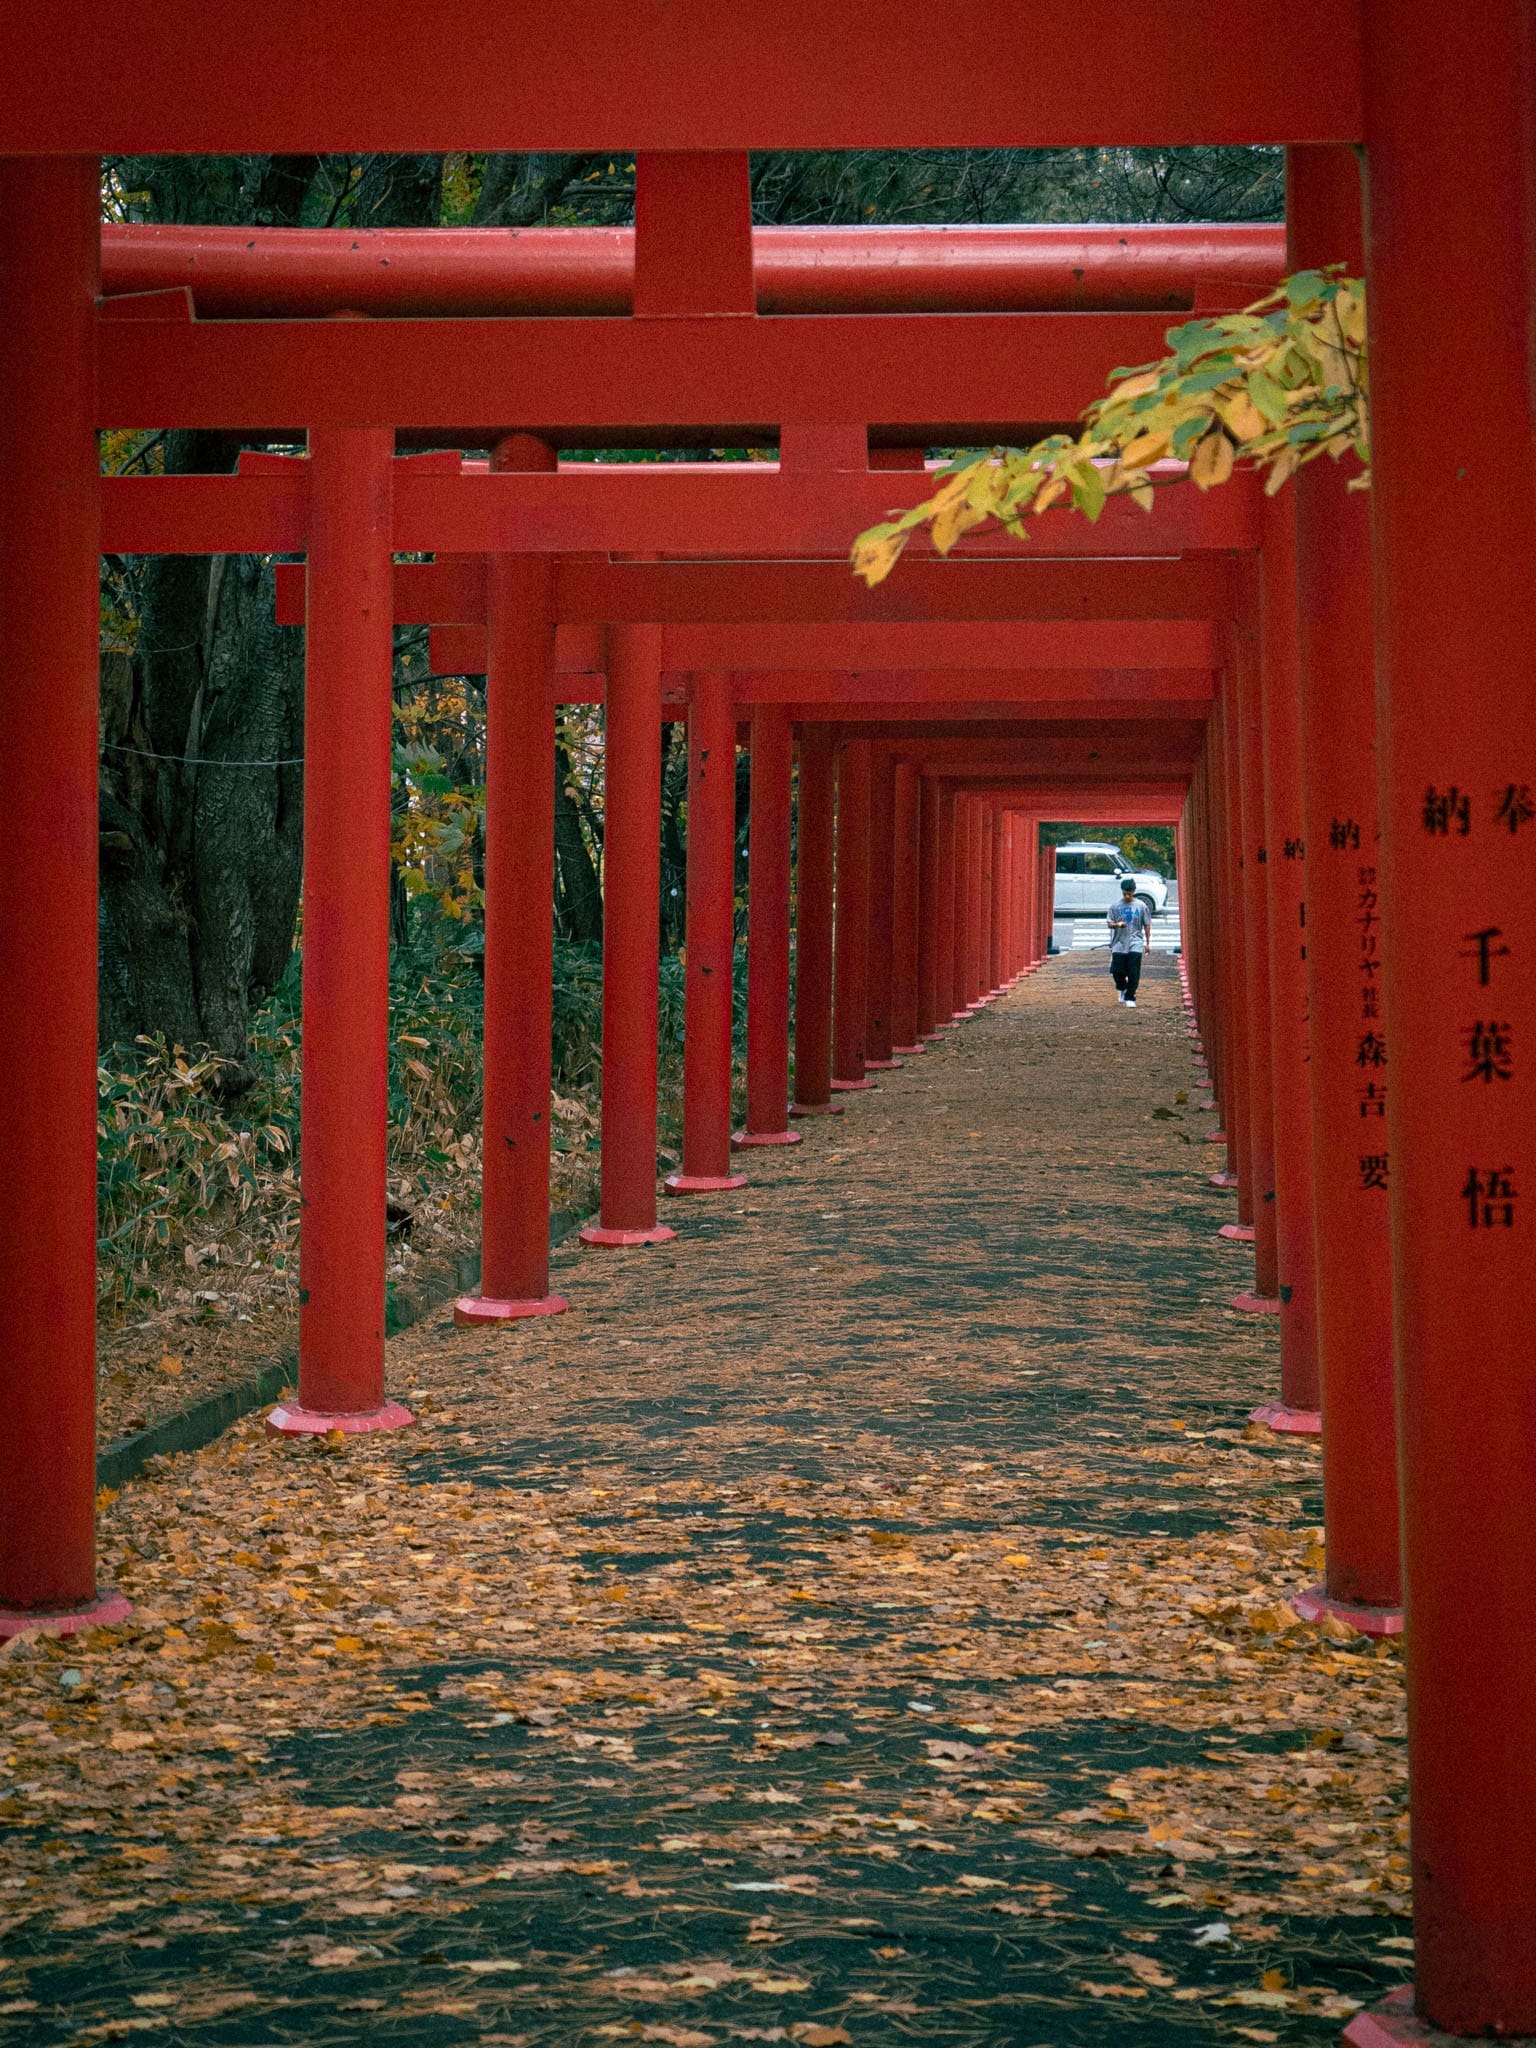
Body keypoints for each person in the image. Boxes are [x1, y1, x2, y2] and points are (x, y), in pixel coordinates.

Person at [1107, 875, 1150, 1006]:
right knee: (1117, 971)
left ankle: (1130, 997)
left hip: (1135, 941)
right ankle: (1122, 988)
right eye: (1125, 893)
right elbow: (1109, 923)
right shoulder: (1115, 906)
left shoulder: (1141, 906)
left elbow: (1147, 924)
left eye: (1129, 893)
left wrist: (1148, 943)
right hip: (1119, 942)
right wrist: (1117, 924)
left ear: (1134, 891)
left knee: (1133, 970)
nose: (1127, 896)